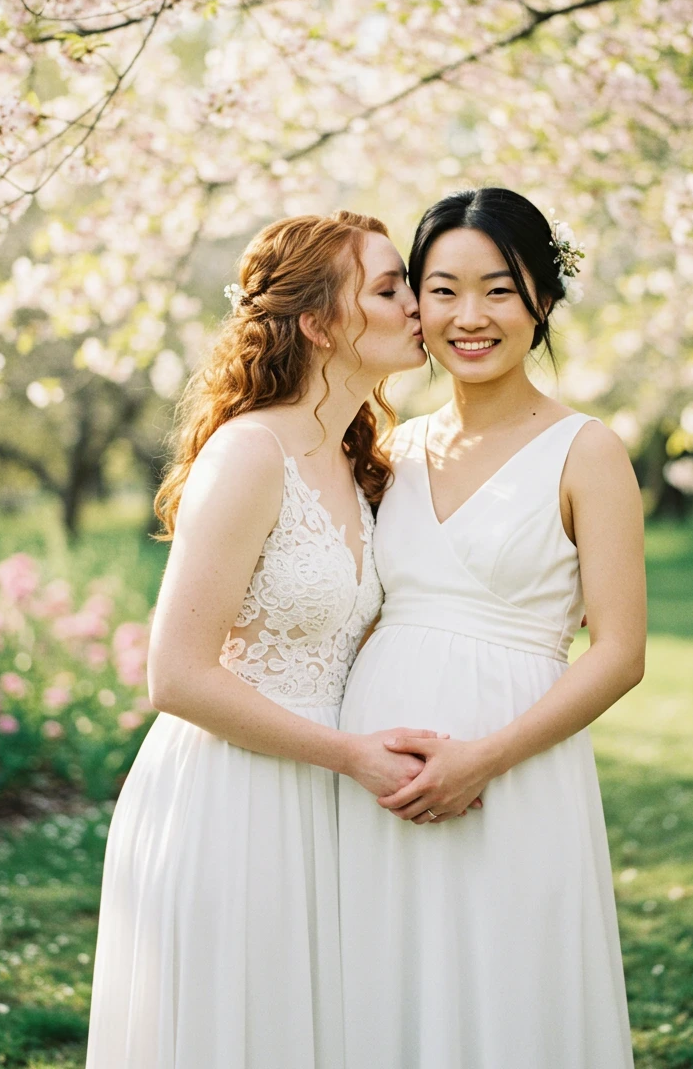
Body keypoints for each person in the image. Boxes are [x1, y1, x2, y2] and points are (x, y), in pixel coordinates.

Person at [85, 209, 433, 1069]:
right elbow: (175, 675)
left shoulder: (358, 462)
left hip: (328, 801)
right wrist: (348, 754)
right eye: (389, 288)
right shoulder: (248, 455)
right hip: (232, 799)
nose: (419, 303)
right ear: (319, 323)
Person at [338, 187, 646, 1069]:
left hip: (514, 768)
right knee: (383, 993)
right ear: (414, 305)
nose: (469, 317)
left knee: (510, 996)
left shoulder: (587, 451)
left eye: (498, 289)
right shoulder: (389, 450)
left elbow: (620, 653)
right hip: (378, 774)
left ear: (542, 300)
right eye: (441, 290)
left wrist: (484, 757)